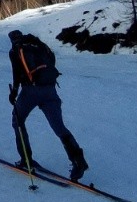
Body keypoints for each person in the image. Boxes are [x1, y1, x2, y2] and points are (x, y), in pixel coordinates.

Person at [7, 29, 88, 181]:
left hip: (30, 91)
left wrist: (14, 92)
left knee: (17, 120)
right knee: (59, 127)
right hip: (50, 90)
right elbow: (52, 62)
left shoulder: (15, 50)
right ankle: (78, 161)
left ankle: (26, 159)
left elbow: (16, 73)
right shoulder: (38, 45)